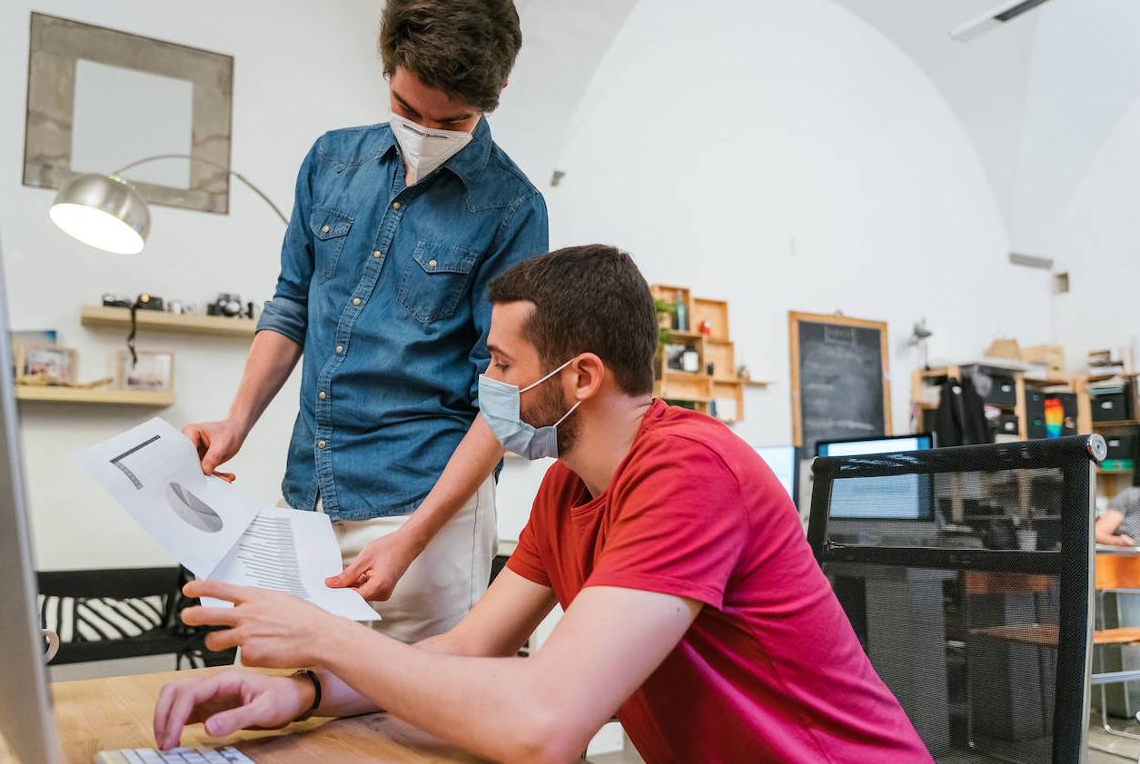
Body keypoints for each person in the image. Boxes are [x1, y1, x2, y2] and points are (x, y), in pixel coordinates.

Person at [154, 245, 933, 764]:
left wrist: (323, 636)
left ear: (581, 377)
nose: (483, 386)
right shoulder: (567, 487)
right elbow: (466, 650)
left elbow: (545, 725)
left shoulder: (690, 470)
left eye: (500, 363)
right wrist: (302, 689)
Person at [181, 0, 547, 643]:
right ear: (388, 66)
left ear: (499, 92)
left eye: (453, 120)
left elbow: (502, 397)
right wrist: (236, 421)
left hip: (423, 514)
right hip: (308, 496)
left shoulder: (513, 209)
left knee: (408, 723)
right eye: (409, 110)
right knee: (274, 692)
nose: (426, 131)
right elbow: (291, 303)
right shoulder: (331, 161)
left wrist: (412, 539)